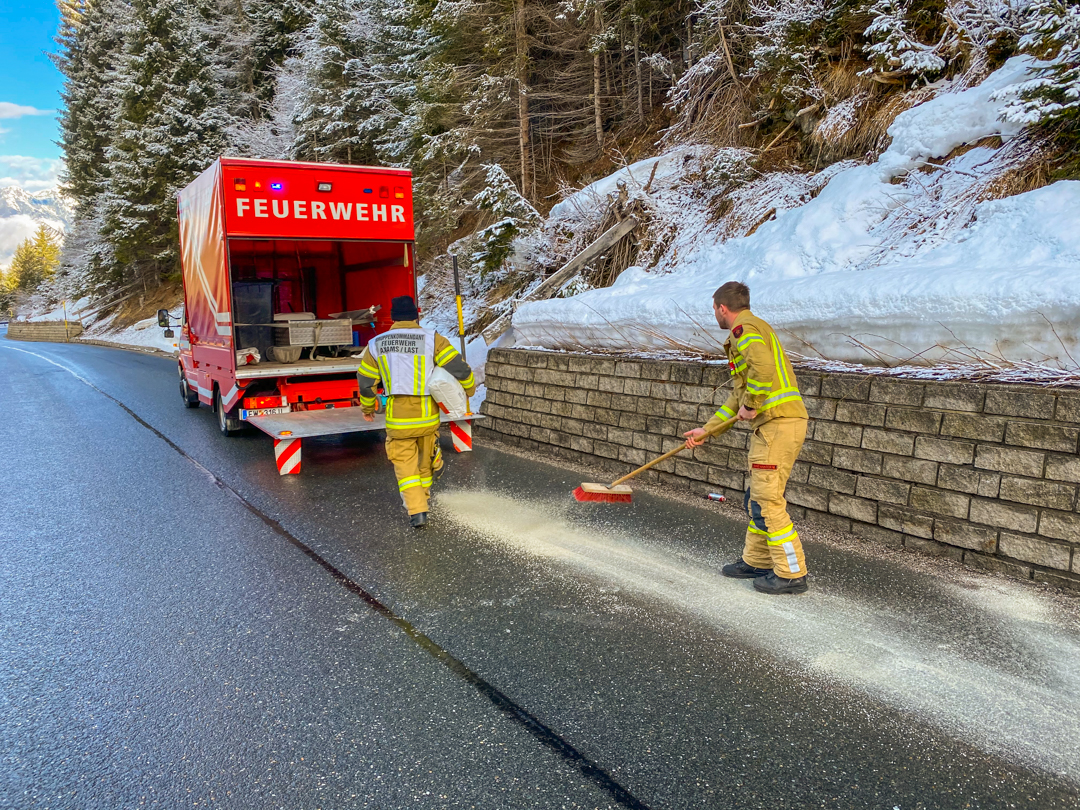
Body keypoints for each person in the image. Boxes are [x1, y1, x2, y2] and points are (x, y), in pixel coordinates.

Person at [684, 281, 810, 594]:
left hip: (778, 424)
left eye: (714, 310)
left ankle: (792, 574)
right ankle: (757, 561)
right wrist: (708, 430)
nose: (715, 315)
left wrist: (752, 404)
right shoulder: (751, 329)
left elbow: (762, 370)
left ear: (721, 308)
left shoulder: (745, 330)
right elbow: (737, 398)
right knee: (757, 498)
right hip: (776, 424)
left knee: (767, 501)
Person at [356, 295, 476, 529]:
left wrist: (368, 407)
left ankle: (417, 510)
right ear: (416, 316)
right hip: (427, 417)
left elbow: (366, 381)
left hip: (398, 419)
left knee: (405, 466)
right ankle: (426, 493)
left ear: (393, 318)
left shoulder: (376, 343)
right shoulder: (432, 339)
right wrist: (469, 389)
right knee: (424, 462)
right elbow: (458, 367)